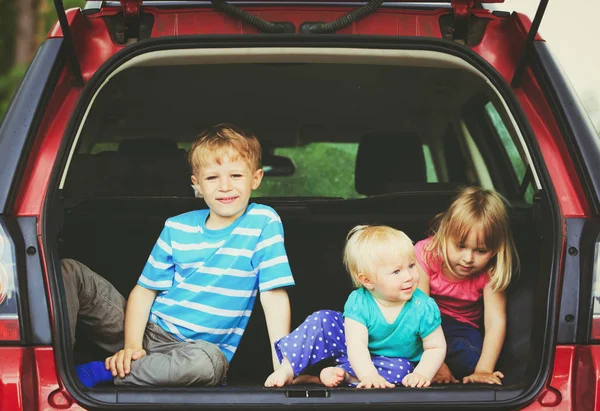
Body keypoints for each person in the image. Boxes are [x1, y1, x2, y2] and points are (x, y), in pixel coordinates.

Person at [68, 124, 295, 387]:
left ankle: (101, 372)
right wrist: (131, 347)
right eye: (212, 178)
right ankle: (56, 365)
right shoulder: (177, 227)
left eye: (235, 175)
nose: (224, 186)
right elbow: (144, 292)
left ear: (255, 179)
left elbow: (273, 295)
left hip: (195, 351)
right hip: (147, 330)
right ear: (196, 184)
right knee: (70, 271)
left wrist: (283, 366)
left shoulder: (262, 221)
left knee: (210, 364)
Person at [264, 225, 446, 388]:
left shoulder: (423, 307)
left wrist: (421, 374)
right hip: (352, 350)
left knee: (403, 369)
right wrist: (369, 376)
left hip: (389, 362)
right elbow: (357, 346)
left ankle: (342, 375)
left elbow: (435, 347)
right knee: (322, 319)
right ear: (367, 280)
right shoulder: (359, 302)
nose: (409, 276)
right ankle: (288, 369)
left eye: (412, 266)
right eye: (397, 271)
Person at [415, 186, 518, 385]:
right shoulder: (426, 253)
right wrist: (434, 362)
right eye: (460, 246)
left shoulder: (490, 271)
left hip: (461, 329)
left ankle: (451, 376)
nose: (468, 259)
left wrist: (483, 370)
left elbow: (495, 322)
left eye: (480, 250)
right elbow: (418, 313)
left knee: (470, 356)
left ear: (496, 250)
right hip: (423, 324)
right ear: (445, 233)